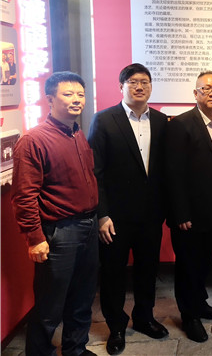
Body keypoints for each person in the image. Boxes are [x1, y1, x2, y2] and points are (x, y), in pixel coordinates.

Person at [11, 71, 98, 356]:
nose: (76, 100)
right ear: (50, 99)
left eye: (80, 94)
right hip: (60, 232)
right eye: (68, 94)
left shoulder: (77, 133)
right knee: (50, 305)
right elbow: (24, 195)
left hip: (88, 225)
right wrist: (35, 238)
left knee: (83, 297)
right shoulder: (34, 140)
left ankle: (75, 349)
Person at [88, 64, 168, 354]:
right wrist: (102, 214)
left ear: (151, 87)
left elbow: (165, 169)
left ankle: (144, 317)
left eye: (144, 82)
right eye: (132, 82)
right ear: (121, 86)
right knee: (113, 274)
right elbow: (95, 172)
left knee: (148, 270)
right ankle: (117, 326)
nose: (139, 87)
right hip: (115, 217)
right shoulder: (104, 119)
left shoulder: (160, 121)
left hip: (151, 215)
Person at [165, 71, 212, 343]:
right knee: (188, 266)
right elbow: (173, 173)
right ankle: (190, 316)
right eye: (206, 88)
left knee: (204, 262)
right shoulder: (181, 124)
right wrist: (180, 212)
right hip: (190, 215)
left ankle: (200, 303)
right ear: (195, 94)